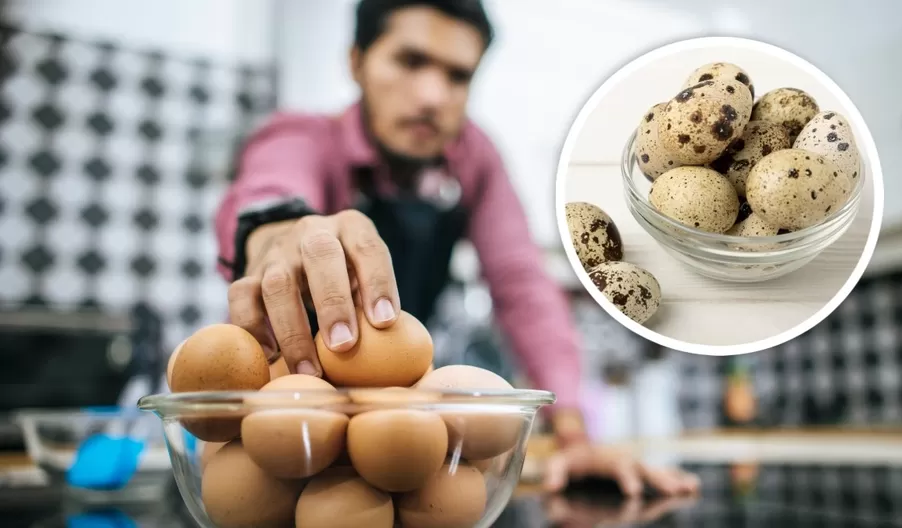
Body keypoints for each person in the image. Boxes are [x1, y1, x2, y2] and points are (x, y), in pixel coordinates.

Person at [214, 0, 698, 497]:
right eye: (409, 62)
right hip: (287, 420)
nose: (431, 95)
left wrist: (573, 433)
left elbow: (522, 287)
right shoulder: (306, 138)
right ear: (356, 62)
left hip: (395, 433)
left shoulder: (473, 159)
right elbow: (269, 193)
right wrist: (277, 234)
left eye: (457, 76)